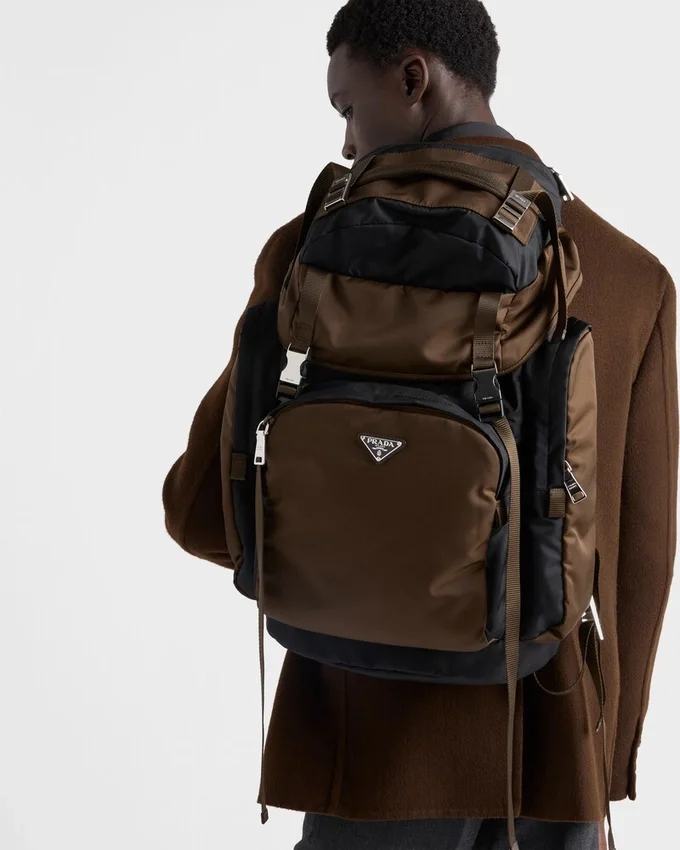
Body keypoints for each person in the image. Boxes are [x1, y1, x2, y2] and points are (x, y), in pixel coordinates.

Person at [161, 2, 678, 848]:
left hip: (368, 746)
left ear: (413, 78)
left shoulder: (316, 250)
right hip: (552, 742)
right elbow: (641, 555)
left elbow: (200, 512)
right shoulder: (628, 274)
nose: (345, 144)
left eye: (347, 108)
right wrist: (606, 755)